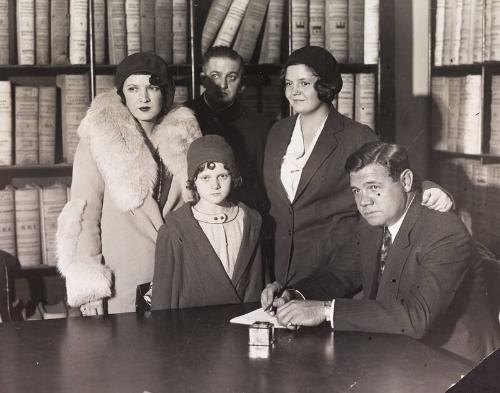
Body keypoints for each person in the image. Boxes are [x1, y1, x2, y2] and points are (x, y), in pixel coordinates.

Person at [262, 141, 500, 363]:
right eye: (356, 191)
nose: (364, 201)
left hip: (455, 363)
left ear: (406, 181)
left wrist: (325, 310)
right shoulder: (373, 224)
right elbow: (339, 274)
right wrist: (294, 295)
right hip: (401, 352)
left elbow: (416, 318)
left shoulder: (443, 231)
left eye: (373, 188)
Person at [263, 46, 453, 286]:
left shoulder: (356, 135)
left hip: (333, 267)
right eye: (289, 84)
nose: (294, 92)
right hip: (279, 268)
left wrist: (431, 189)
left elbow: (392, 178)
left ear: (325, 85)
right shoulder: (277, 132)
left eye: (303, 83)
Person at [56, 52, 202, 315]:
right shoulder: (98, 140)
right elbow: (84, 215)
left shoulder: (187, 138)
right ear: (122, 94)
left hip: (181, 276)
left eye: (152, 87)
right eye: (133, 88)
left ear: (165, 92)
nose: (143, 98)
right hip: (123, 281)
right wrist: (91, 288)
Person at [152, 135, 264, 309]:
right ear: (193, 181)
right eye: (205, 177)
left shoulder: (250, 221)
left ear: (233, 176)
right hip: (196, 328)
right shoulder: (175, 229)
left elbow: (261, 280)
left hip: (245, 323)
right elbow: (163, 296)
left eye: (222, 176)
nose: (215, 185)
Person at [185, 46, 272, 213]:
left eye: (231, 77)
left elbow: (263, 186)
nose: (223, 85)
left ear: (242, 83)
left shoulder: (260, 126)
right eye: (215, 76)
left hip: (244, 216)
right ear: (203, 80)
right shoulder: (183, 117)